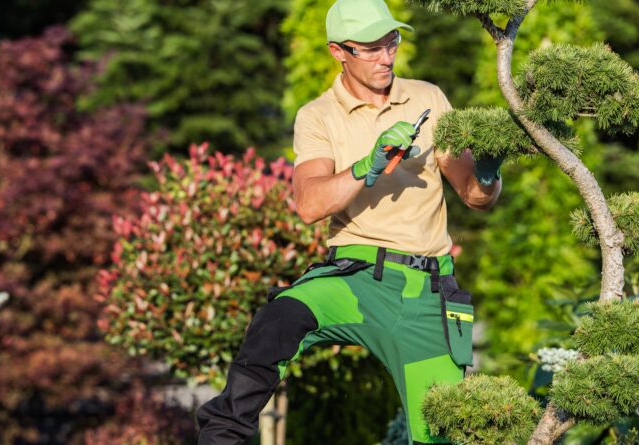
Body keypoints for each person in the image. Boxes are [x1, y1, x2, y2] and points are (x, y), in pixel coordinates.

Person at [195, 0, 503, 443]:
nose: (387, 56)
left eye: (392, 41)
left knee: (440, 434)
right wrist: (367, 166)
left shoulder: (428, 98)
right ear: (339, 51)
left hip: (425, 293)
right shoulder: (318, 116)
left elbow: (475, 196)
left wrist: (489, 173)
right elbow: (309, 203)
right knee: (280, 317)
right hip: (354, 278)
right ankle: (222, 435)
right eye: (372, 48)